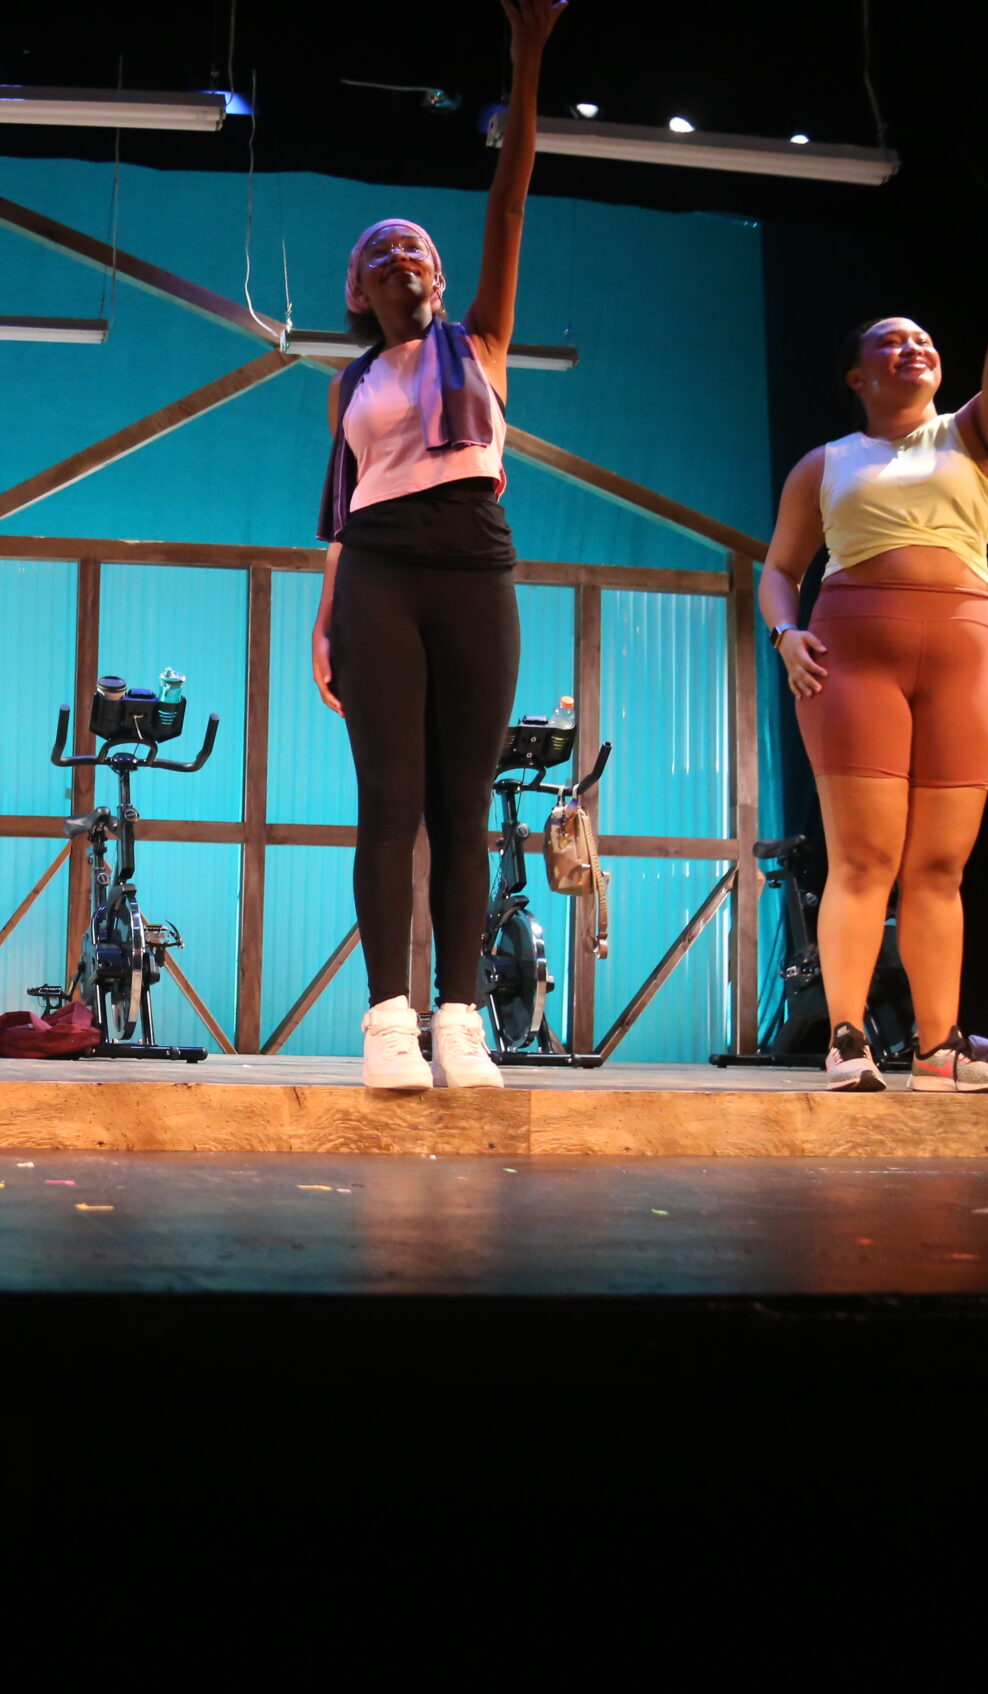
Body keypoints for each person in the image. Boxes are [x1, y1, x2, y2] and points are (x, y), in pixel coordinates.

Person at [758, 156, 988, 1093]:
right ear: (856, 375)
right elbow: (779, 571)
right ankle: (846, 1038)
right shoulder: (824, 463)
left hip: (960, 654)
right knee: (865, 856)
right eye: (891, 342)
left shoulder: (978, 435)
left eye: (923, 341)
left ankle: (941, 1048)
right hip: (852, 660)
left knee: (940, 864)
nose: (914, 348)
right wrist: (786, 635)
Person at [308, 0, 565, 1091]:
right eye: (379, 253)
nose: (400, 257)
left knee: (463, 802)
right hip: (375, 570)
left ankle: (461, 1021)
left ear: (439, 277)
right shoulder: (352, 383)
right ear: (358, 292)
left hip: (472, 562)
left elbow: (509, 201)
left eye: (414, 247)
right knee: (389, 805)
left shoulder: (484, 345)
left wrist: (522, 58)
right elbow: (338, 507)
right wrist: (323, 620)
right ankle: (386, 1024)